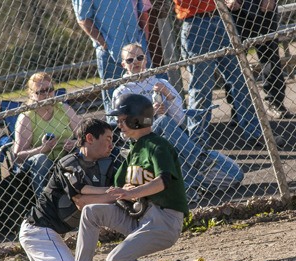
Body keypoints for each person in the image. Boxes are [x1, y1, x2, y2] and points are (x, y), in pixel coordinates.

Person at [0, 118, 117, 261]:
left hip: (50, 235)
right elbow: (82, 202)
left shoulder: (105, 164)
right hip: (38, 232)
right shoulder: (70, 163)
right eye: (107, 138)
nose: (111, 143)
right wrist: (118, 193)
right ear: (90, 138)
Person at [61, 93, 188, 261]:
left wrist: (132, 193)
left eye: (122, 120)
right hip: (139, 217)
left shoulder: (157, 146)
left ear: (136, 120)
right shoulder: (133, 149)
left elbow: (164, 181)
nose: (118, 125)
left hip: (164, 221)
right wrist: (102, 195)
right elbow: (117, 188)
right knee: (90, 212)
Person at [112, 43, 244, 202]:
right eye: (130, 59)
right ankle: (197, 162)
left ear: (145, 59)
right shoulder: (121, 92)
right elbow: (126, 131)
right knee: (163, 121)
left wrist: (168, 96)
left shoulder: (161, 82)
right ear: (123, 64)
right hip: (145, 140)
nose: (136, 62)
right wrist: (150, 115)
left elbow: (180, 120)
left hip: (175, 141)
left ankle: (192, 181)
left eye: (139, 57)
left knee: (236, 175)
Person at [173, 0, 280, 147]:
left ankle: (255, 131)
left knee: (241, 79)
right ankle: (198, 141)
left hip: (222, 18)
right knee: (201, 87)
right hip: (196, 24)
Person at [71, 0, 152, 120]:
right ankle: (117, 134)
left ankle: (152, 129)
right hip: (111, 52)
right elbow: (83, 19)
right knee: (115, 101)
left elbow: (143, 9)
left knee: (148, 89)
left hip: (138, 46)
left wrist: (144, 36)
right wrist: (105, 44)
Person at [13, 72, 82, 197]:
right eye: (40, 92)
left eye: (49, 90)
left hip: (66, 156)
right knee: (41, 159)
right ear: (32, 95)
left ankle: (83, 195)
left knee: (82, 149)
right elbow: (17, 156)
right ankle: (45, 203)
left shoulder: (63, 108)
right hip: (41, 163)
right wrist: (42, 149)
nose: (46, 95)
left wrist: (75, 143)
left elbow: (85, 136)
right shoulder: (26, 117)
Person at [225, 0, 294, 120]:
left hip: (263, 8)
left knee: (270, 57)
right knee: (235, 62)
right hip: (235, 10)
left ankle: (275, 103)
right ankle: (238, 109)